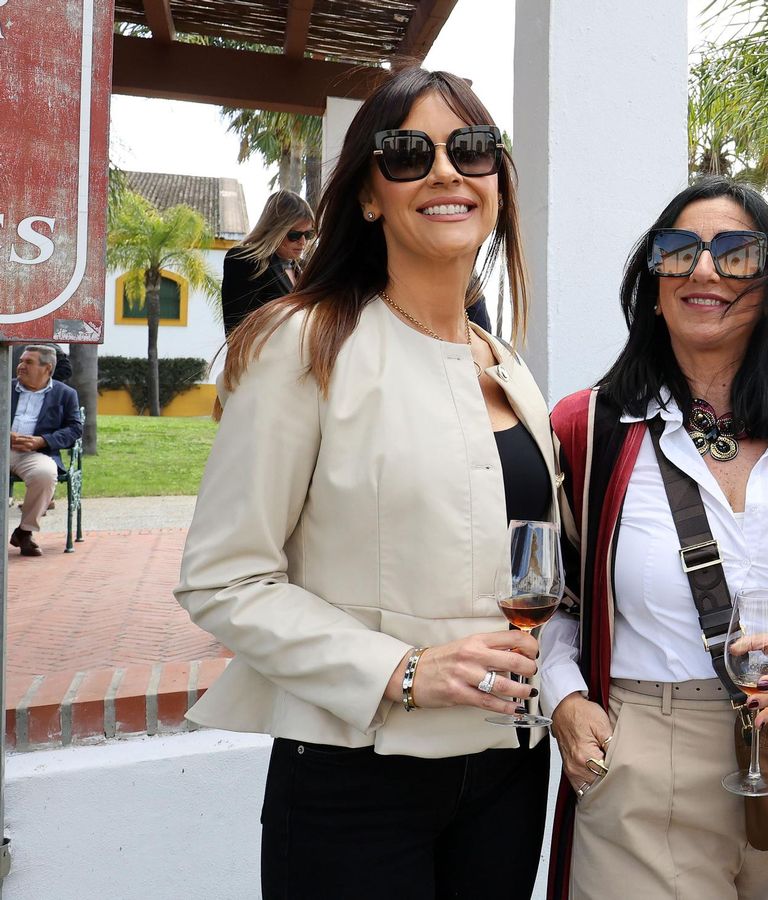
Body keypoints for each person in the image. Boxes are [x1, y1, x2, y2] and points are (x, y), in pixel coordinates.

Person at [174, 67, 559, 899]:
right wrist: (403, 669)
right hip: (357, 774)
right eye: (409, 151)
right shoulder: (302, 344)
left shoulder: (508, 365)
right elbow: (224, 577)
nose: (447, 171)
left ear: (498, 183)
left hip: (509, 770)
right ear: (368, 195)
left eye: (473, 148)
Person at [541, 176, 768, 900]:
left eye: (736, 254)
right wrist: (564, 700)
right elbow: (550, 598)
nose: (704, 270)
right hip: (645, 753)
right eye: (678, 252)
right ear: (653, 284)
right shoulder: (587, 433)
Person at [9, 345, 82, 557]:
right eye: (21, 361)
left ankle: (25, 531)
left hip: (36, 453)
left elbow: (75, 429)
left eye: (28, 362)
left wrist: (42, 441)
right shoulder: (5, 386)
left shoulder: (66, 394)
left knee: (45, 474)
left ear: (47, 368)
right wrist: (6, 435)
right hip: (4, 448)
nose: (20, 366)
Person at [220, 190, 315, 335]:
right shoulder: (245, 260)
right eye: (294, 235)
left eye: (308, 234)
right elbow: (238, 329)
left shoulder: (304, 267)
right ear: (275, 230)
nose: (302, 241)